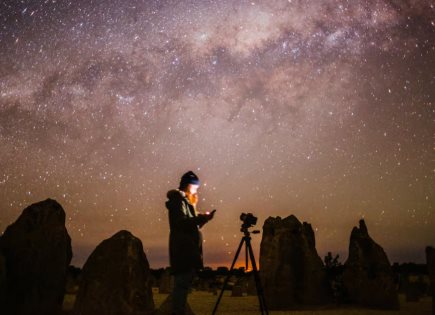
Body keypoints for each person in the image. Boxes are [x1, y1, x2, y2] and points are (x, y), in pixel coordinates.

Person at [165, 171, 216, 315]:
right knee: (181, 284)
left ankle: (179, 311)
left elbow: (192, 226)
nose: (196, 190)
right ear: (188, 185)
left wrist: (203, 219)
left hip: (188, 248)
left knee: (184, 284)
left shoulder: (186, 202)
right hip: (183, 249)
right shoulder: (178, 201)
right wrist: (202, 219)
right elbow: (181, 223)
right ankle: (177, 312)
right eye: (194, 186)